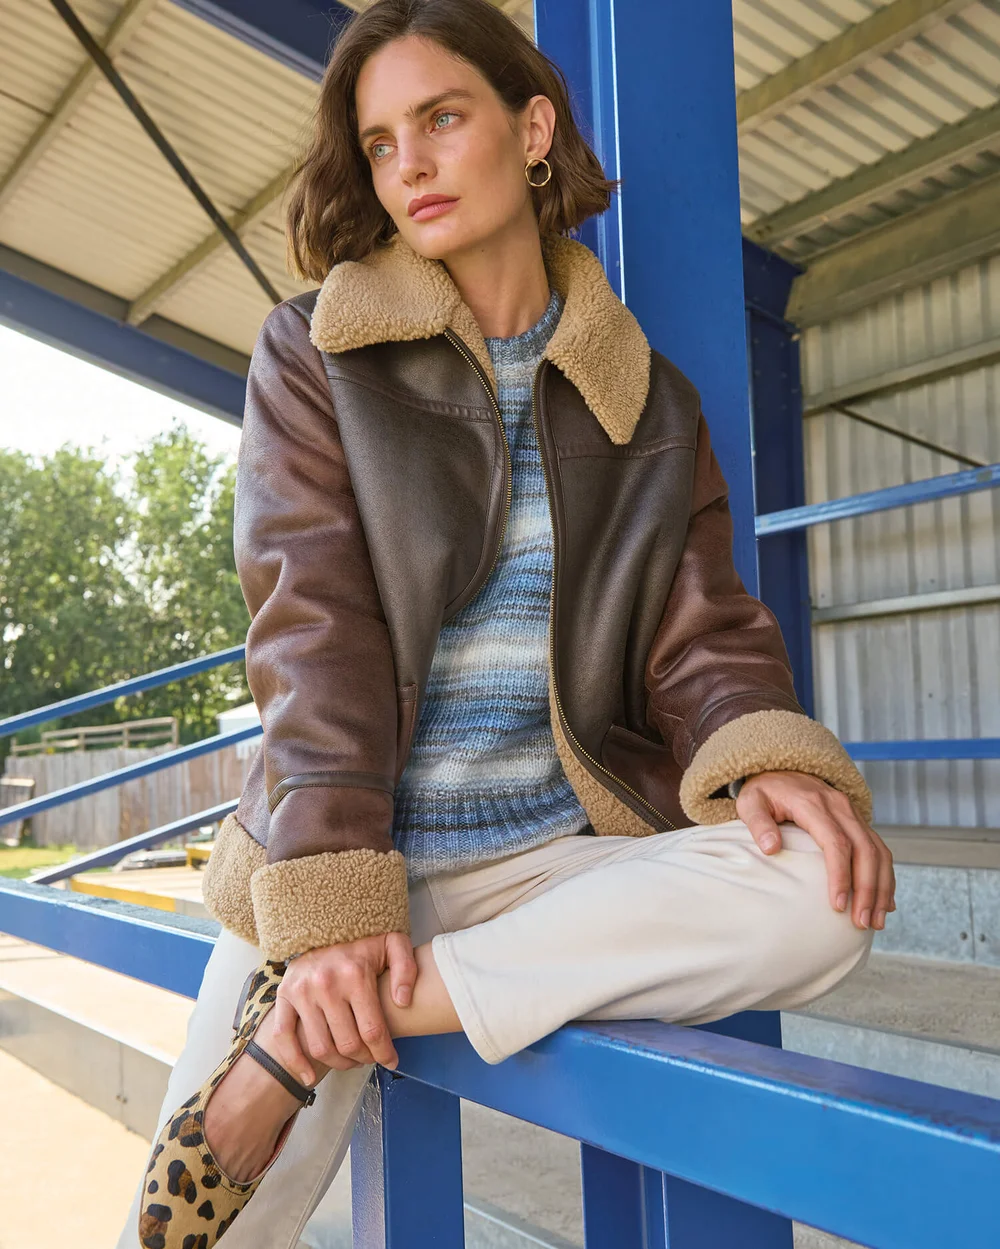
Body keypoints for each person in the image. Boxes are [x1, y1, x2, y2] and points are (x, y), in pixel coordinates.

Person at [124, 0, 895, 1244]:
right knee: (189, 1236)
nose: (410, 164)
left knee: (825, 884)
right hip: (350, 852)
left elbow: (701, 633)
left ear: (532, 128)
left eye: (441, 119)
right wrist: (335, 915)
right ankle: (335, 984)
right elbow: (310, 636)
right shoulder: (315, 355)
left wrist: (764, 753)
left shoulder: (643, 394)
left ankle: (328, 1028)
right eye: (380, 142)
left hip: (552, 864)